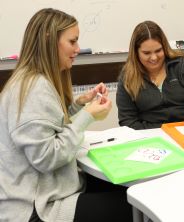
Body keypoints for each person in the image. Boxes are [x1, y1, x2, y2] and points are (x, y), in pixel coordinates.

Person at [0, 8, 132, 222]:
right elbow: (47, 157)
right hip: (38, 209)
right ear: (49, 41)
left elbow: (53, 128)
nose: (78, 49)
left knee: (121, 187)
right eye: (72, 42)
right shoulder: (34, 88)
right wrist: (87, 115)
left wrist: (79, 106)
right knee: (132, 205)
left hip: (51, 191)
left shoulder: (32, 80)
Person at [116, 21, 184, 130]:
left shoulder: (181, 66)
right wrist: (163, 131)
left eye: (158, 51)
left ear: (164, 47)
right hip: (151, 137)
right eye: (147, 53)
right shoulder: (127, 78)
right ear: (136, 53)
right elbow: (127, 122)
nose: (154, 58)